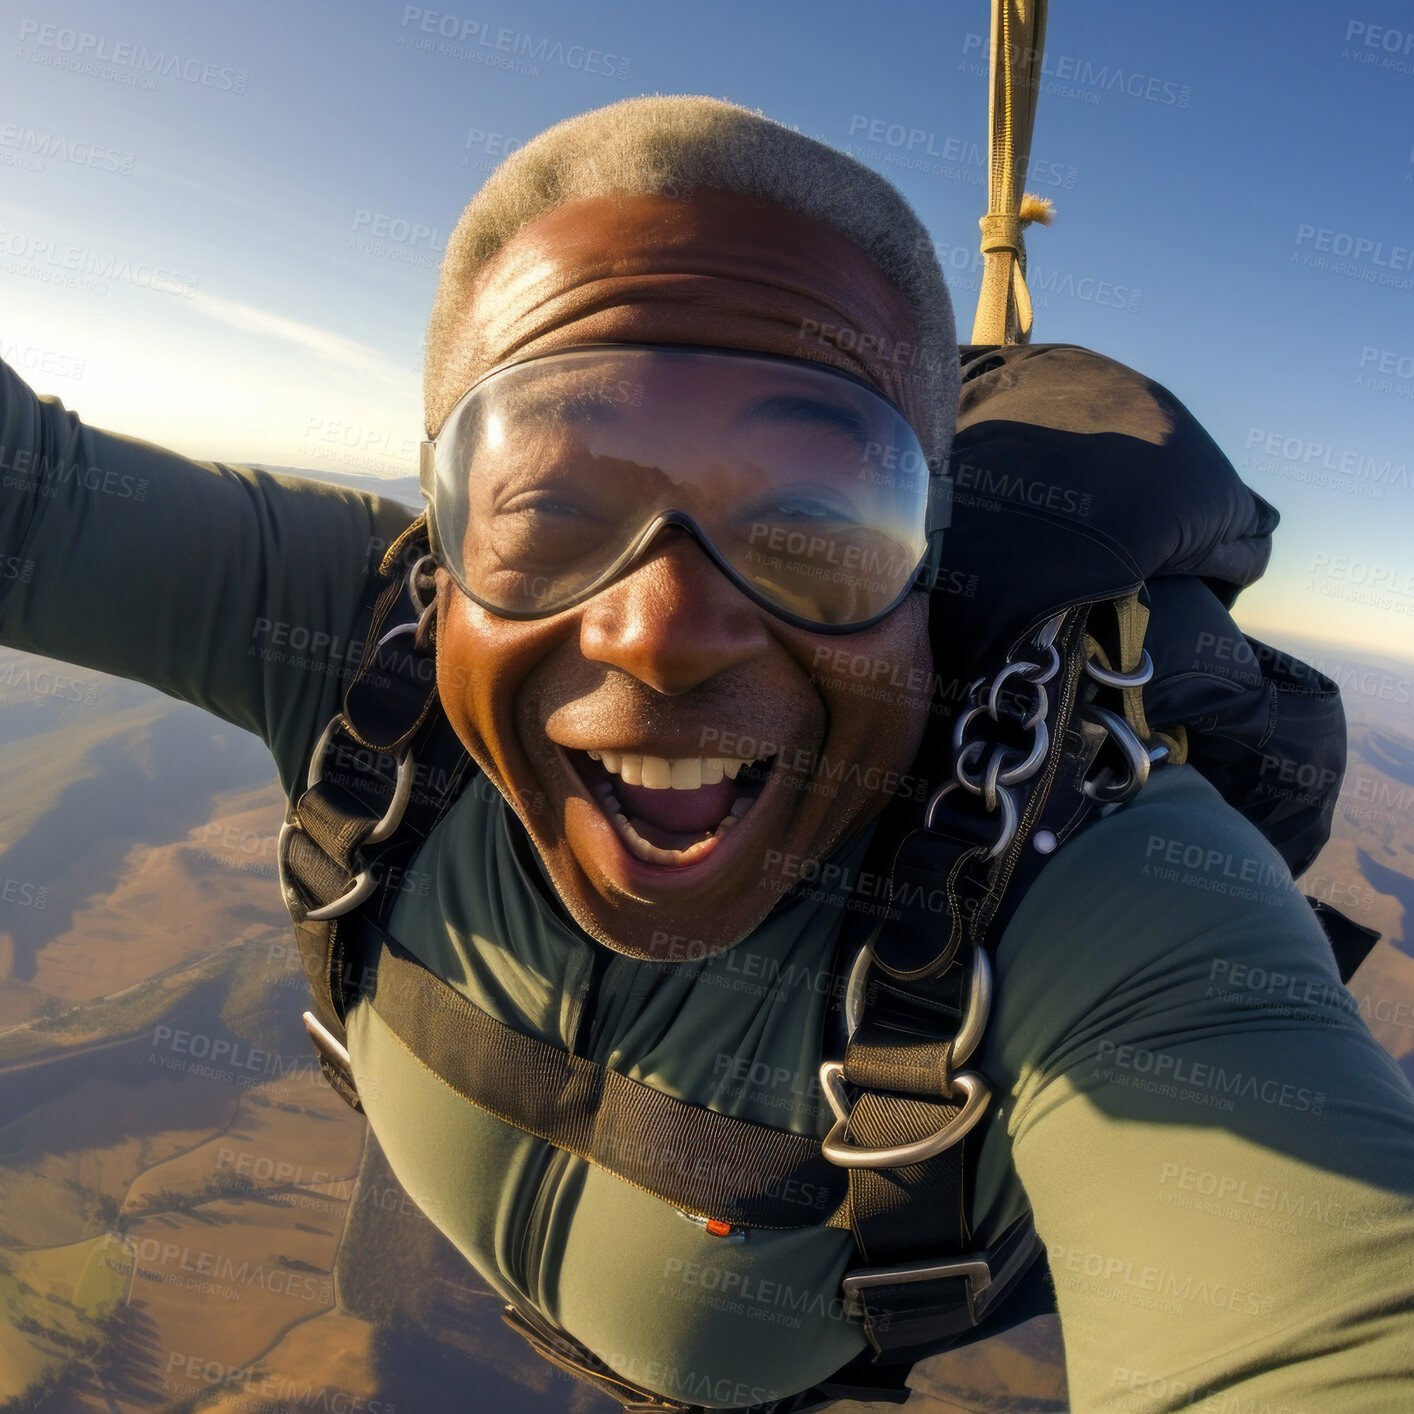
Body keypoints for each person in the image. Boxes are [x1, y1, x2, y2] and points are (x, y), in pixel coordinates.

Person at [1, 96, 1411, 1414]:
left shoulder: (1095, 874)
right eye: (552, 499)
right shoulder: (355, 629)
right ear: (442, 536)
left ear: (927, 568)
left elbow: (1330, 1324)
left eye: (813, 520)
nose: (664, 632)